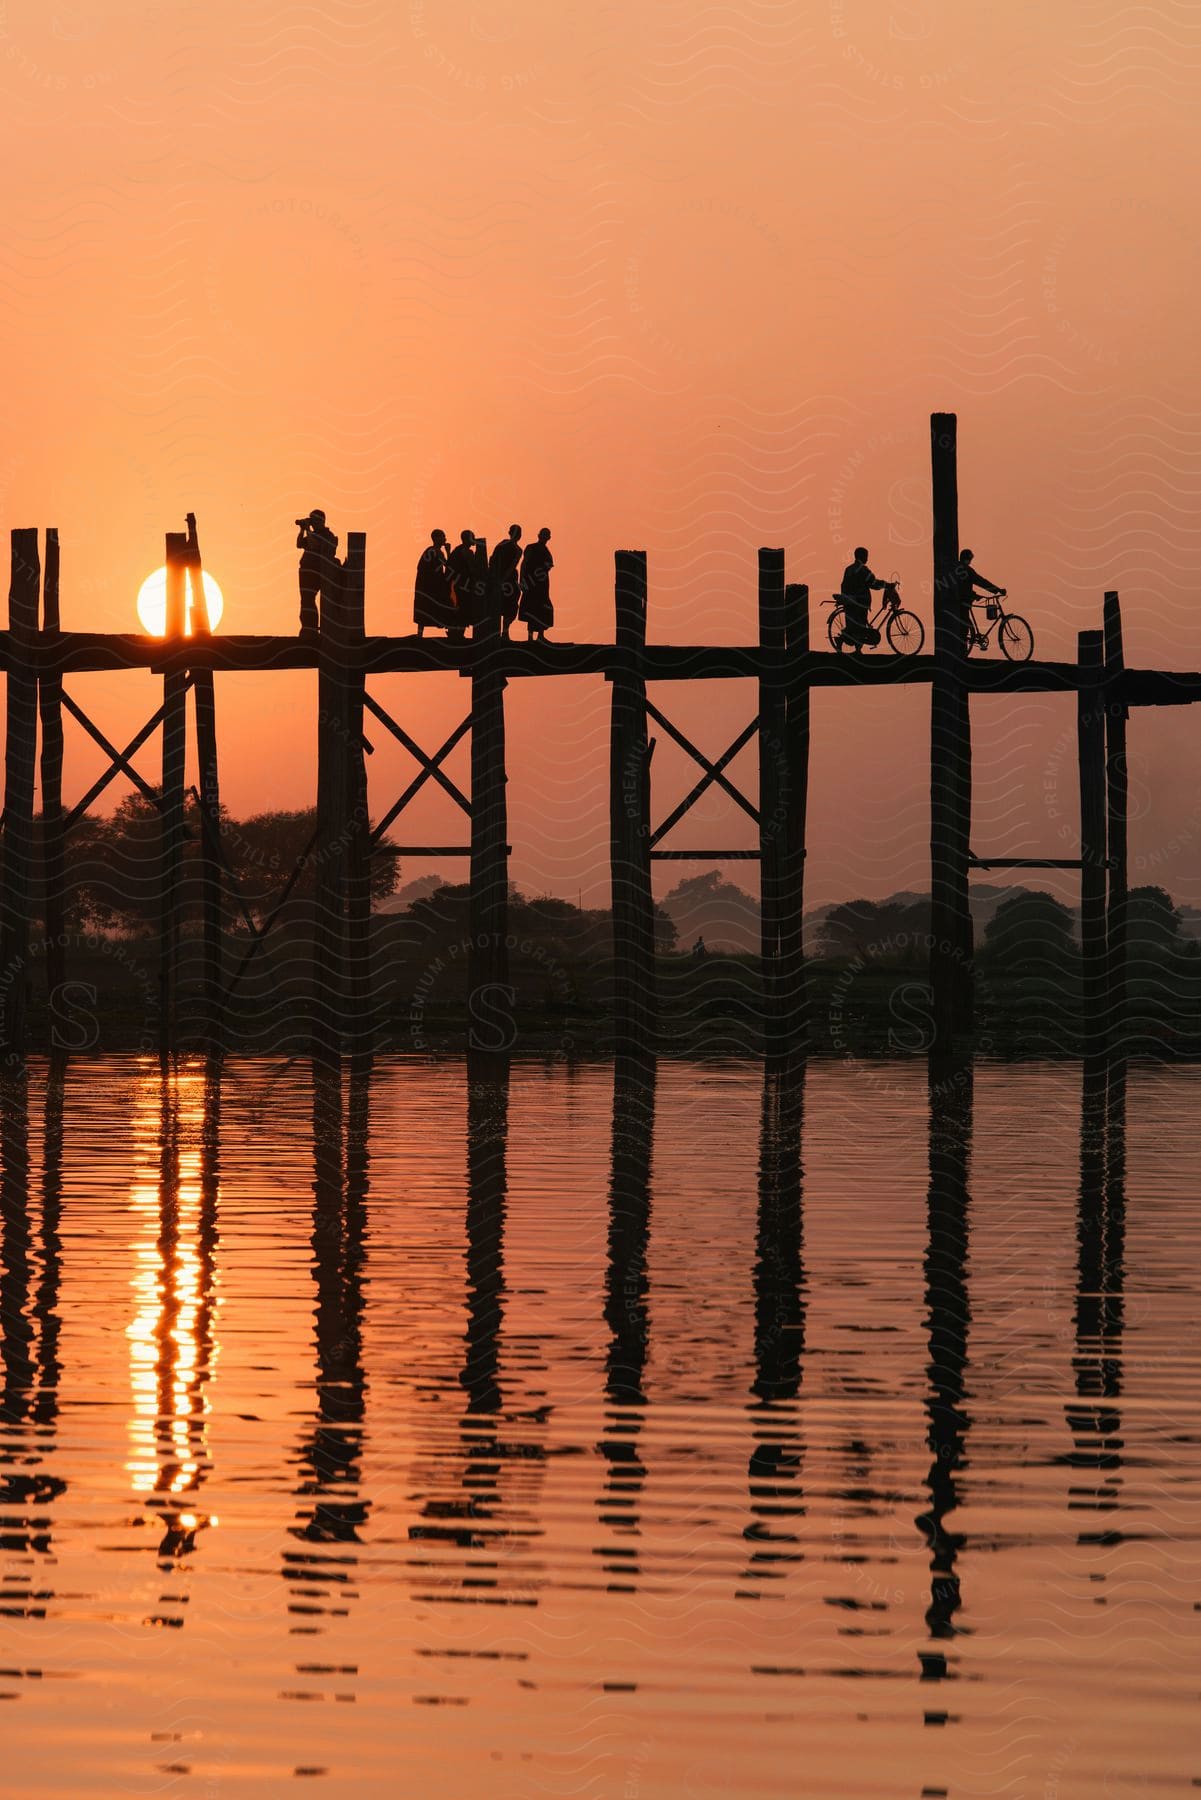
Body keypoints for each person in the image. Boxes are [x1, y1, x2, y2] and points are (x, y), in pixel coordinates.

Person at [296, 509, 339, 634]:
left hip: (319, 571)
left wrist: (308, 530)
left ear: (322, 521)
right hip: (306, 571)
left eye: (314, 520)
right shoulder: (312, 534)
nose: (313, 523)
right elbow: (299, 544)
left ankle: (315, 628)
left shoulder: (327, 535)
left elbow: (314, 545)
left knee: (321, 599)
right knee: (306, 600)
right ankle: (309, 627)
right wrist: (302, 529)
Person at [839, 546, 886, 647]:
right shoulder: (863, 570)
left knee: (854, 625)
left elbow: (843, 585)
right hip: (861, 601)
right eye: (866, 556)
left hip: (849, 601)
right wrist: (886, 585)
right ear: (863, 556)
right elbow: (873, 583)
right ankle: (857, 649)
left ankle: (844, 641)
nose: (867, 559)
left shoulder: (848, 569)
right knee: (861, 625)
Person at [955, 549, 1005, 640]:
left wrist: (975, 595)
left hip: (956, 599)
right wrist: (997, 590)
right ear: (968, 559)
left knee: (963, 623)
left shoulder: (955, 568)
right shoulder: (967, 570)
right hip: (964, 600)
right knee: (964, 625)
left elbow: (962, 586)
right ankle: (962, 649)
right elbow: (981, 582)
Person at [414, 529, 452, 639]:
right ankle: (450, 632)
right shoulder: (434, 551)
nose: (445, 539)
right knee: (441, 604)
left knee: (425, 608)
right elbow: (448, 565)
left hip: (430, 585)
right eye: (443, 536)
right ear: (436, 538)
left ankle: (420, 634)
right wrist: (449, 552)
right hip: (432, 585)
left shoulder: (432, 551)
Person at [487, 523, 523, 639]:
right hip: (505, 579)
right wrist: (501, 579)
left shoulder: (510, 547)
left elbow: (492, 560)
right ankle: (503, 632)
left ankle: (504, 632)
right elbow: (510, 565)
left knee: (506, 606)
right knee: (506, 606)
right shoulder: (513, 548)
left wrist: (497, 577)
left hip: (503, 579)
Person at [518, 527, 554, 641]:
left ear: (549, 537)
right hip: (530, 582)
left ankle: (540, 636)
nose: (544, 537)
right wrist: (522, 580)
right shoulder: (531, 548)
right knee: (531, 608)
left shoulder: (546, 551)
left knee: (543, 608)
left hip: (542, 585)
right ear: (539, 536)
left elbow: (549, 565)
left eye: (546, 535)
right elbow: (524, 564)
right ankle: (530, 637)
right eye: (543, 534)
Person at [447, 529, 483, 642]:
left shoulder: (457, 550)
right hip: (465, 585)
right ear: (467, 539)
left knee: (459, 607)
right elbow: (473, 569)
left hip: (457, 584)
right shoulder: (467, 552)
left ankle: (454, 632)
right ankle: (459, 633)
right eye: (473, 537)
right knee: (465, 608)